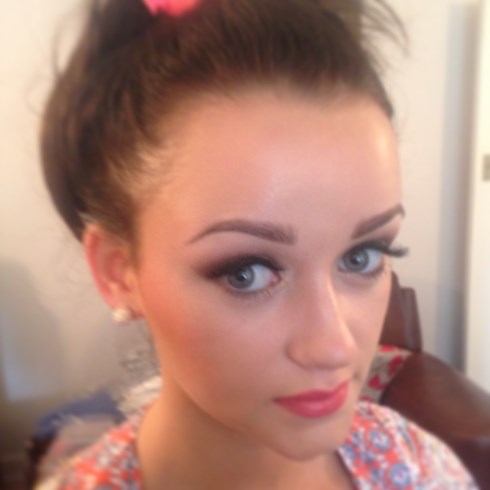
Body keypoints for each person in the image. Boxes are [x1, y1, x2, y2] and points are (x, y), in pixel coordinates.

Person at [39, 0, 477, 488]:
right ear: (119, 272)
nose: (335, 347)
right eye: (246, 273)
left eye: (362, 256)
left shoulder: (418, 466)